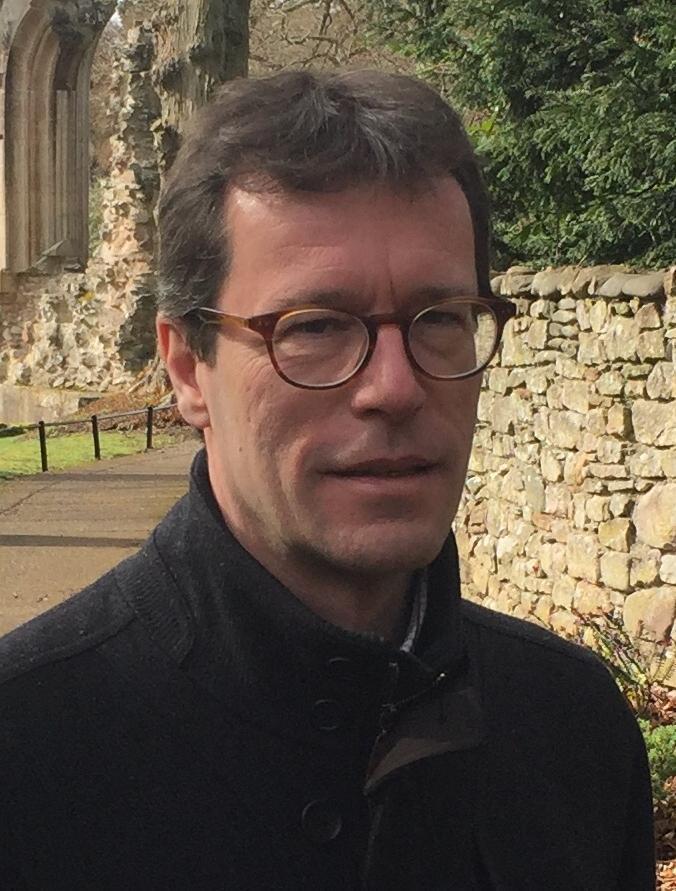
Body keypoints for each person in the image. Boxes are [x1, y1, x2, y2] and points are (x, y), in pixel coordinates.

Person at [0, 70, 654, 889]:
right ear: (188, 368)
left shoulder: (572, 727)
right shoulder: (28, 749)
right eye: (313, 327)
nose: (395, 387)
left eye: (440, 319)